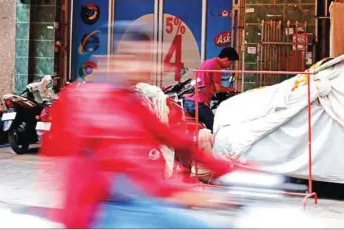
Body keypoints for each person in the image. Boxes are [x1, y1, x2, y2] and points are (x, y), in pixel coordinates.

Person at [41, 27, 235, 229]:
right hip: (99, 211)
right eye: (137, 57)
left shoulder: (131, 101)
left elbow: (174, 138)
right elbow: (124, 163)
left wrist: (230, 170)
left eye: (148, 59)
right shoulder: (90, 101)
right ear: (115, 60)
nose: (145, 66)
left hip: (133, 201)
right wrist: (178, 192)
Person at [184, 47, 239, 131]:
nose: (229, 66)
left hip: (189, 101)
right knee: (214, 128)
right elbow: (218, 88)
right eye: (230, 63)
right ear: (226, 59)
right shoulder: (215, 66)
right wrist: (231, 90)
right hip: (199, 103)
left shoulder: (207, 62)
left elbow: (205, 83)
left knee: (201, 129)